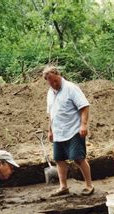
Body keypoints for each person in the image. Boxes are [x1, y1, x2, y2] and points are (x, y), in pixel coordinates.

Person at [43, 66, 94, 197]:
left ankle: (89, 185)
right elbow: (52, 113)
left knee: (78, 158)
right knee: (59, 159)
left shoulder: (71, 88)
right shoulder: (50, 92)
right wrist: (50, 130)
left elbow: (84, 106)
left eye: (56, 80)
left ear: (59, 75)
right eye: (51, 82)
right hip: (58, 131)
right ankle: (63, 186)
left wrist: (83, 125)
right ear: (47, 82)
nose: (54, 84)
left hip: (73, 130)